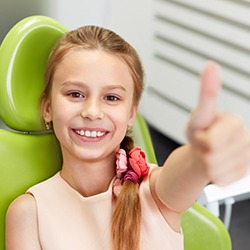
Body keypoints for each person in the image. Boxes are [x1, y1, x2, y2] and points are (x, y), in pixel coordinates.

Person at [5, 25, 250, 250]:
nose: (92, 112)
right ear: (48, 108)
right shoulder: (29, 214)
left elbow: (183, 174)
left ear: (131, 114)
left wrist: (201, 156)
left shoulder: (154, 192)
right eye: (75, 93)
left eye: (111, 98)